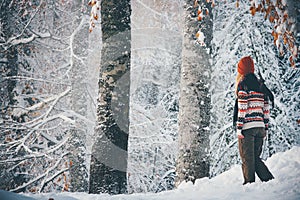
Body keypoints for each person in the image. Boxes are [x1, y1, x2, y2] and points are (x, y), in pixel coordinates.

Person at [234, 56, 274, 185]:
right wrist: (265, 128)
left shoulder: (243, 85)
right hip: (260, 127)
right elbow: (266, 110)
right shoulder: (260, 85)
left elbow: (242, 108)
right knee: (255, 158)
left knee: (247, 158)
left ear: (241, 71)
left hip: (248, 128)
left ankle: (249, 185)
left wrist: (239, 128)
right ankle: (269, 181)